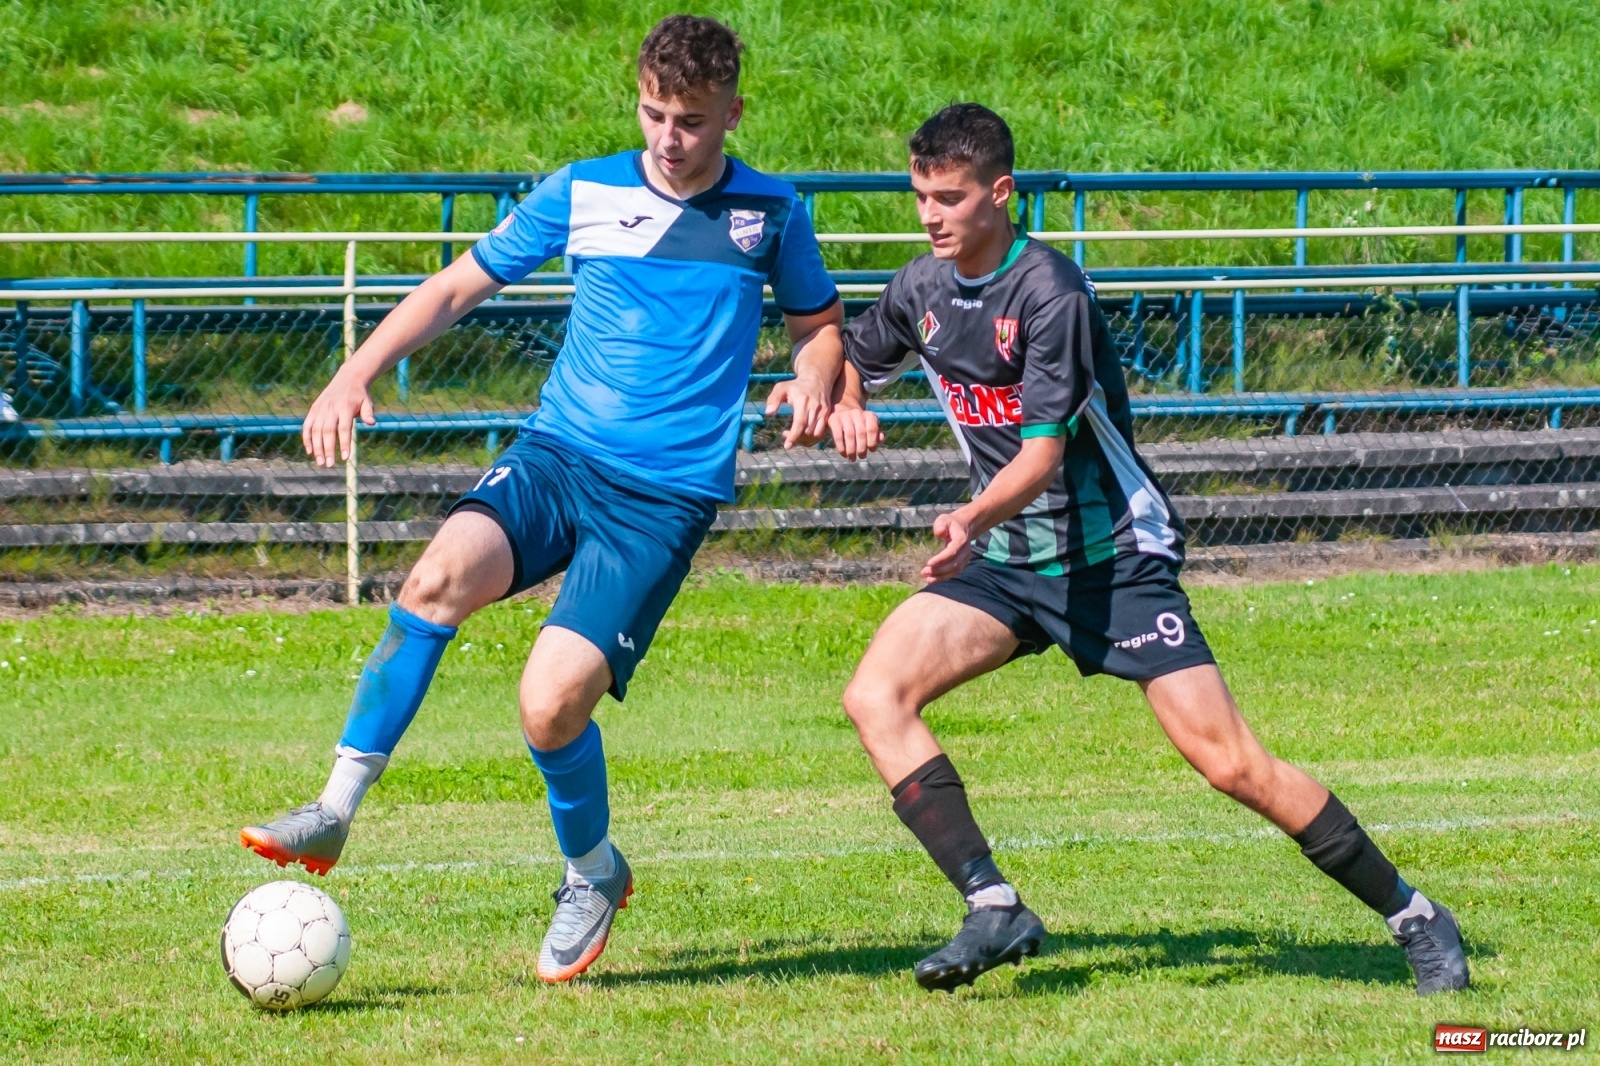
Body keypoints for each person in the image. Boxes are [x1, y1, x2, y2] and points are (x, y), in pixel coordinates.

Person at [240, 15, 843, 984]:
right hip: (558, 455)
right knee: (436, 575)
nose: (667, 137)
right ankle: (334, 811)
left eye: (689, 120)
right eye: (652, 113)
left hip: (661, 497)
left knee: (548, 705)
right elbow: (455, 289)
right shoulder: (583, 188)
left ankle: (591, 873)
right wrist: (355, 372)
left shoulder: (771, 213)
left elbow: (818, 325)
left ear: (731, 110)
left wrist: (814, 380)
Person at [825, 103, 1469, 996]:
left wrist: (970, 517)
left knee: (1229, 762)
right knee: (875, 694)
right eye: (920, 196)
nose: (930, 215)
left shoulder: (1051, 294)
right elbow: (851, 355)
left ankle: (1415, 916)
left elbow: (1044, 453)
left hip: (1113, 556)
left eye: (950, 197)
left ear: (1000, 194)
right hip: (1009, 560)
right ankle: (994, 903)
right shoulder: (920, 289)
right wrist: (838, 393)